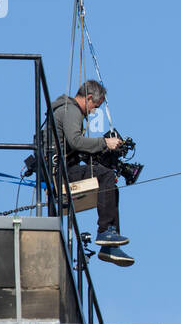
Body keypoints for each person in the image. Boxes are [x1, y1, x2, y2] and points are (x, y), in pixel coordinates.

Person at [49, 80, 134, 267]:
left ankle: (109, 241)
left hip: (65, 168)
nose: (94, 111)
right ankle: (105, 233)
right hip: (61, 172)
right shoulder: (71, 111)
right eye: (95, 106)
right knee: (106, 176)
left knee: (109, 182)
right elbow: (76, 142)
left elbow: (74, 147)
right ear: (88, 98)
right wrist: (105, 143)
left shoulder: (66, 110)